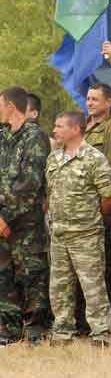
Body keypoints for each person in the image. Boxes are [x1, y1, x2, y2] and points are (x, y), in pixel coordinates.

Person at [46, 111, 111, 346]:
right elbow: (50, 193)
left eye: (59, 126)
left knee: (92, 284)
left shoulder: (93, 158)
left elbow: (107, 197)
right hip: (59, 234)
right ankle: (63, 330)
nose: (54, 130)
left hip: (85, 233)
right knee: (60, 285)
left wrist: (91, 218)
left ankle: (100, 332)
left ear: (75, 129)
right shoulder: (54, 158)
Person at [82, 40, 111, 334]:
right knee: (91, 270)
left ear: (108, 102)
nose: (89, 103)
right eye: (87, 99)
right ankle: (94, 322)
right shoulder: (82, 128)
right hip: (84, 212)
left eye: (95, 99)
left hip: (109, 209)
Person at [0, 86, 51, 345]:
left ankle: (36, 330)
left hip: (25, 222)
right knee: (4, 274)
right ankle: (9, 329)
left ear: (11, 105)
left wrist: (6, 216)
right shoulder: (3, 136)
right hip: (2, 221)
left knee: (32, 274)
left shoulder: (34, 136)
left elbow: (30, 183)